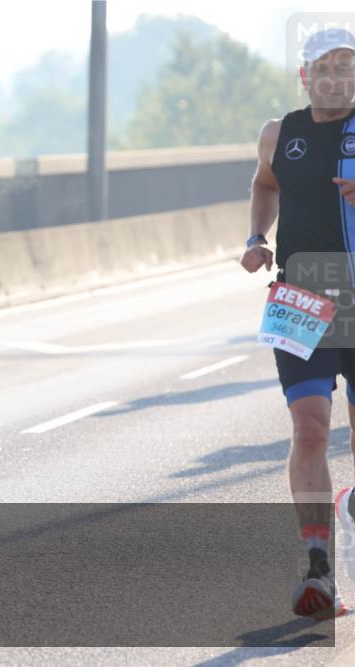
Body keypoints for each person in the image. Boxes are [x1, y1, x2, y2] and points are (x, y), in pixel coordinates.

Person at [241, 27, 355, 619]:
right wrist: (257, 236)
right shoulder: (278, 133)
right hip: (301, 291)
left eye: (347, 66)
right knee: (309, 430)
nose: (335, 76)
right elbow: (265, 184)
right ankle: (318, 568)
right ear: (305, 76)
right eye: (324, 67)